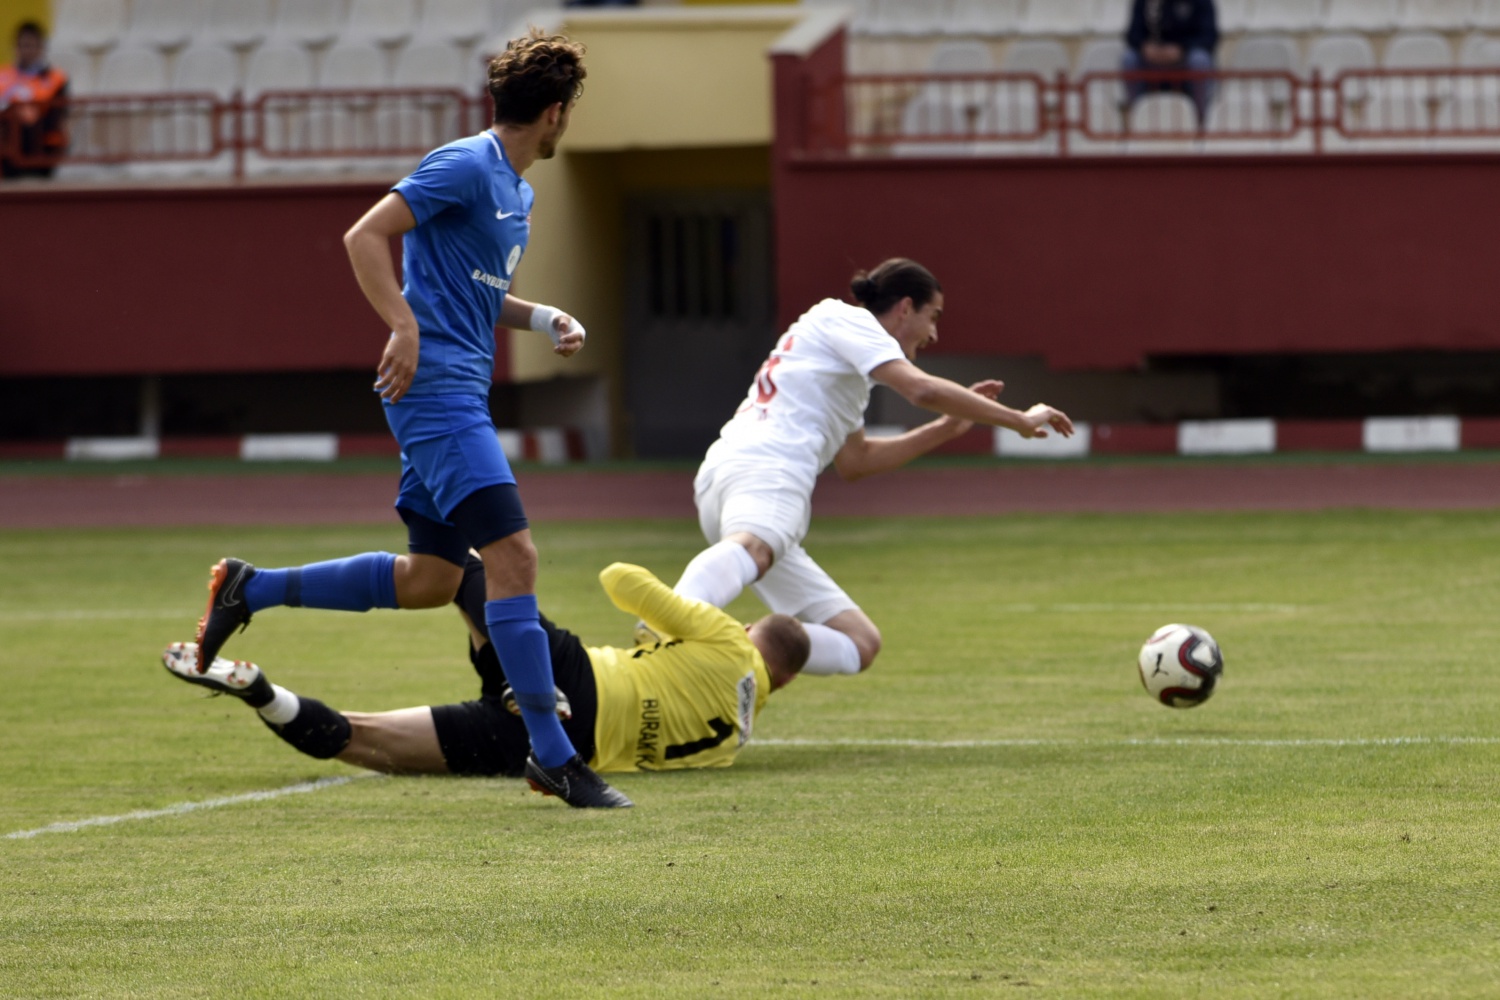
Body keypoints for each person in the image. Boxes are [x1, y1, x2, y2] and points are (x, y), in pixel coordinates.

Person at [192, 30, 630, 808]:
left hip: (457, 393)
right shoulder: (464, 164)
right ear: (556, 113)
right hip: (436, 394)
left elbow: (479, 292)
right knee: (514, 557)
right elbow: (364, 235)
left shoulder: (517, 192)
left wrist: (544, 317)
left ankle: (249, 589)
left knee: (433, 580)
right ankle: (554, 754)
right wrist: (402, 325)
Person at [665, 258, 1073, 678]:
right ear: (905, 308)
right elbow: (921, 389)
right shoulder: (847, 319)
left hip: (738, 476)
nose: (934, 333)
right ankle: (668, 632)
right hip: (769, 468)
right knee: (753, 548)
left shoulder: (845, 362)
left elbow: (856, 462)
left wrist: (946, 428)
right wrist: (1018, 419)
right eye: (933, 316)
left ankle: (715, 650)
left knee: (859, 643)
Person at [166, 558, 810, 782]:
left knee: (462, 565)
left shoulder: (726, 638)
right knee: (363, 743)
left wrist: (677, 622)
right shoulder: (735, 740)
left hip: (572, 681)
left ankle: (257, 586)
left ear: (751, 632)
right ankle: (262, 692)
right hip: (563, 747)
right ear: (782, 681)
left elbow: (620, 579)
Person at [1122, 0, 1219, 124]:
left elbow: (1209, 36)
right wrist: (1145, 47)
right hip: (1151, 61)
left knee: (1200, 60)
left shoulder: (1201, 2)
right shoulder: (1144, 2)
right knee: (1129, 59)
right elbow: (1133, 34)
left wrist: (1181, 49)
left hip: (1184, 61)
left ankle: (1200, 119)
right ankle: (1136, 116)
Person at [0, 21, 69, 179]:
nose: (27, 50)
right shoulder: (3, 76)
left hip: (41, 144)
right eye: (23, 45)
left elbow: (56, 116)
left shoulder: (56, 79)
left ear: (41, 48)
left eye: (31, 45)